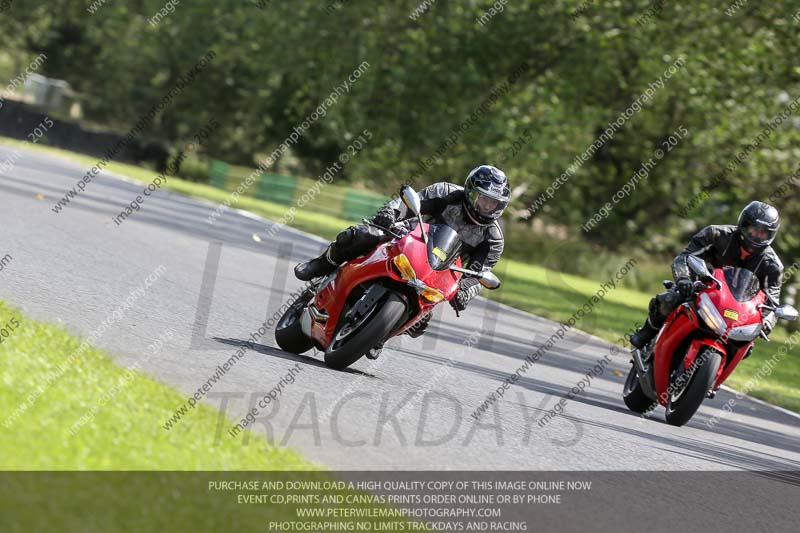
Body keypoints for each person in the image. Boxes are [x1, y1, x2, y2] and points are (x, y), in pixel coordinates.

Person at [294, 165, 510, 356]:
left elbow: (480, 273)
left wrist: (464, 291)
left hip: (437, 273)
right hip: (409, 237)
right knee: (361, 235)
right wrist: (390, 213)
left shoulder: (493, 239)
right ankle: (321, 264)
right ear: (470, 192)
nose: (487, 207)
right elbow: (407, 204)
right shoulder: (446, 192)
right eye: (483, 200)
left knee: (420, 325)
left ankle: (379, 335)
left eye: (493, 204)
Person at [630, 201, 784, 350]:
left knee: (746, 346)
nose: (757, 235)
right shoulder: (716, 234)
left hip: (739, 309)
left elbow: (772, 301)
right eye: (754, 229)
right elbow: (684, 257)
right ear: (744, 224)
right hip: (700, 287)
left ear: (770, 235)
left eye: (763, 232)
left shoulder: (773, 265)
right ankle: (647, 332)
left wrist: (767, 321)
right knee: (670, 299)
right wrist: (684, 278)